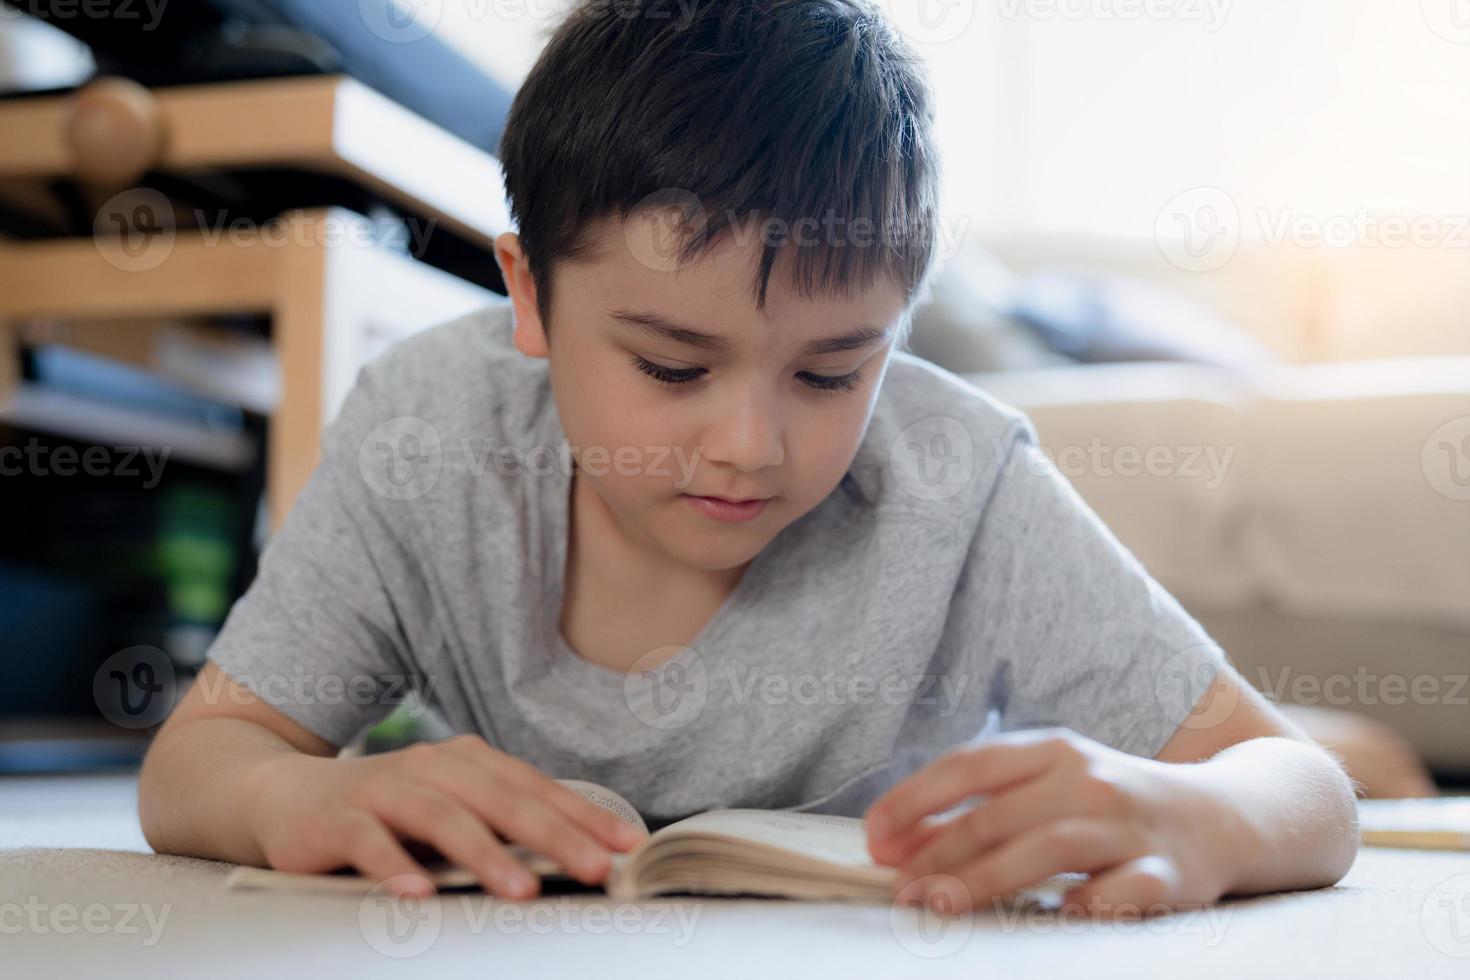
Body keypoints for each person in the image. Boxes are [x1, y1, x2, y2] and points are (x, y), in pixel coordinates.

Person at [138, 0, 1359, 917]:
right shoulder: (427, 429)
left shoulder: (957, 479)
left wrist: (1204, 811)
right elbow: (197, 760)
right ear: (530, 295)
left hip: (938, 820)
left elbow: (1300, 789)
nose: (750, 445)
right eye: (673, 366)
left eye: (833, 372)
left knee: (1345, 750)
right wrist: (291, 796)